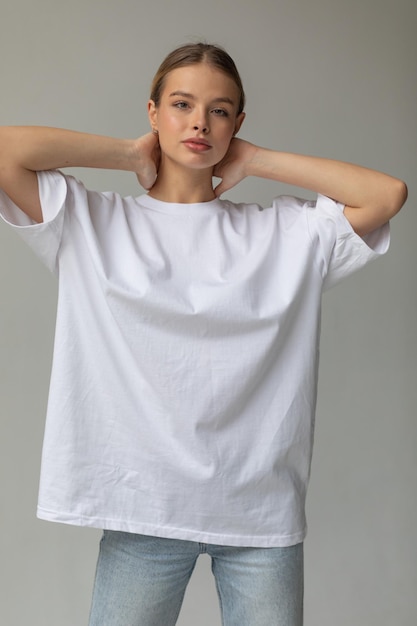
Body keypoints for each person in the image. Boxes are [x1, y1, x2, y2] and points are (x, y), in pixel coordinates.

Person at [0, 42, 407, 626]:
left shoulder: (283, 235)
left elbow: (387, 194)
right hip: (144, 512)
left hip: (260, 520)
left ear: (237, 124)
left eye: (219, 110)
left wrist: (257, 160)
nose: (198, 122)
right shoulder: (92, 222)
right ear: (153, 113)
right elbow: (6, 150)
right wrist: (126, 155)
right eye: (181, 104)